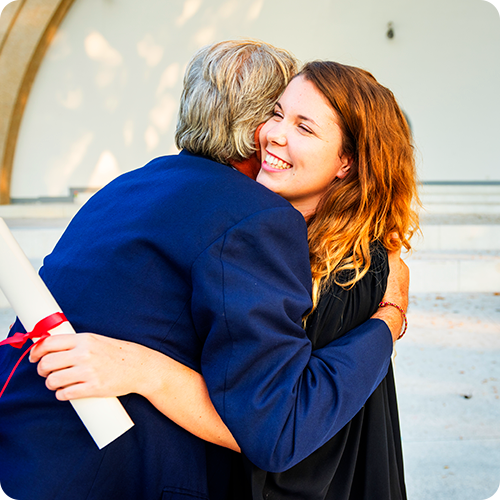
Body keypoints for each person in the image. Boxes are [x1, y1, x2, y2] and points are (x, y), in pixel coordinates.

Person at [0, 40, 407, 500]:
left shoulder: (131, 185)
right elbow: (278, 428)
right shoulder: (255, 220)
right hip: (102, 473)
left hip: (25, 449)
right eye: (276, 113)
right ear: (254, 124)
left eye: (303, 125)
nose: (276, 133)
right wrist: (390, 319)